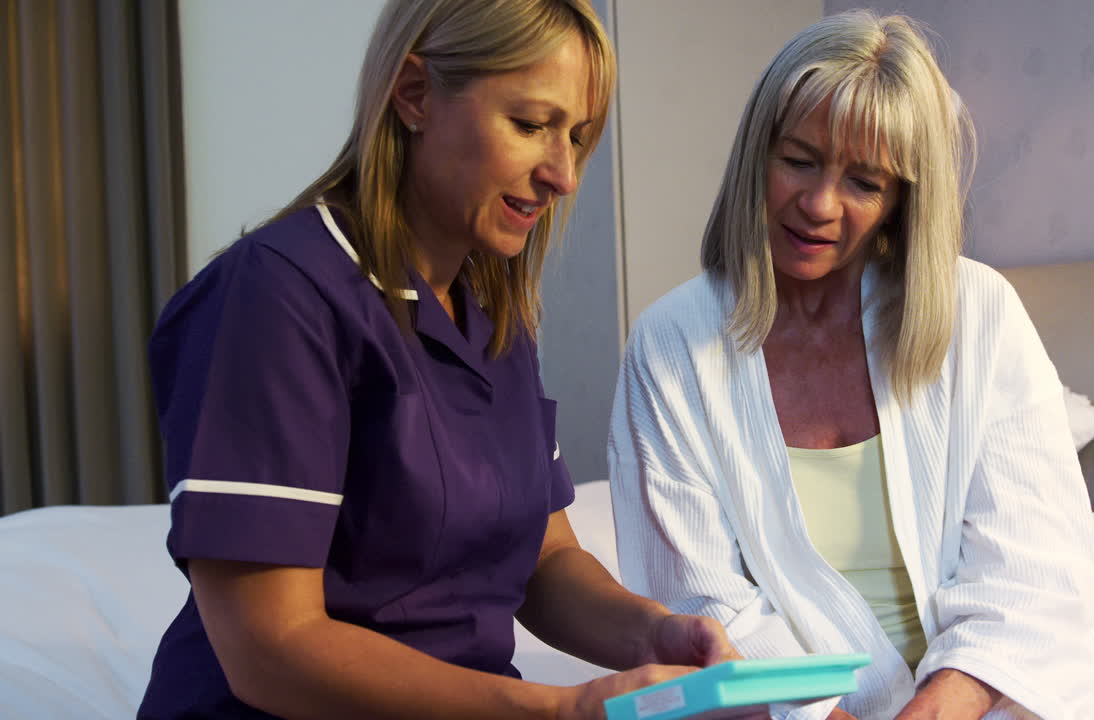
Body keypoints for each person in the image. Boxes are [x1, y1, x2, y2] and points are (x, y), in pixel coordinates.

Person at [137, 2, 745, 718]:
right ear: (416, 94)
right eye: (529, 125)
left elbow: (543, 562)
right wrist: (561, 709)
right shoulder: (278, 296)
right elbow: (269, 647)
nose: (564, 175)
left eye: (577, 138)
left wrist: (656, 632)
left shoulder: (490, 317)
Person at [607, 10, 1094, 720]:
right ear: (757, 154)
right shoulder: (671, 345)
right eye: (799, 159)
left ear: (901, 202)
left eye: (864, 182)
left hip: (982, 694)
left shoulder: (978, 314)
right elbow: (702, 601)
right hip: (778, 708)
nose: (819, 204)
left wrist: (931, 710)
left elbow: (1033, 574)